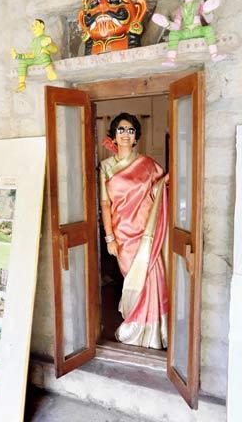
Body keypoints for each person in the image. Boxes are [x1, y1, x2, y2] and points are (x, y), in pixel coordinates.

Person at [99, 113, 169, 349]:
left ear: (136, 135)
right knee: (134, 279)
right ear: (114, 135)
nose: (126, 134)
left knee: (153, 277)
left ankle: (152, 331)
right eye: (121, 130)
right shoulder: (106, 167)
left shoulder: (148, 164)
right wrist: (109, 237)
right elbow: (105, 204)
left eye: (130, 130)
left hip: (147, 231)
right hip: (122, 235)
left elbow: (162, 186)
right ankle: (138, 325)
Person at [151, 0, 225, 66]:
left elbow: (208, 20)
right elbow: (176, 26)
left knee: (208, 29)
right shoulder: (180, 9)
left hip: (198, 29)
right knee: (173, 34)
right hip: (186, 32)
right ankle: (170, 59)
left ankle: (214, 54)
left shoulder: (199, 3)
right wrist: (166, 24)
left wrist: (207, 11)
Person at [10, 19, 58, 92]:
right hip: (35, 59)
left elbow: (55, 49)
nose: (33, 27)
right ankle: (21, 83)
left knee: (43, 53)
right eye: (32, 26)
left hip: (43, 59)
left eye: (35, 24)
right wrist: (18, 56)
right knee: (22, 62)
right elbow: (32, 54)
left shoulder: (46, 38)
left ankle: (50, 71)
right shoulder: (33, 41)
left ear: (42, 26)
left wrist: (48, 45)